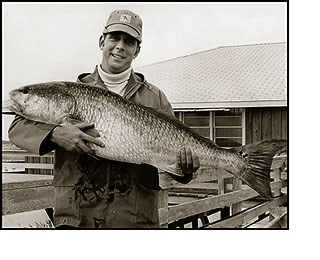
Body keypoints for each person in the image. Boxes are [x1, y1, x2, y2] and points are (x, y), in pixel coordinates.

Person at [8, 9, 200, 228]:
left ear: (137, 50)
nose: (120, 46)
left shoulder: (155, 98)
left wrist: (185, 170)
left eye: (129, 41)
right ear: (102, 41)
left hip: (135, 222)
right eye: (114, 37)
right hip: (78, 220)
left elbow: (179, 171)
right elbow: (16, 127)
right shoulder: (72, 94)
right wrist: (56, 134)